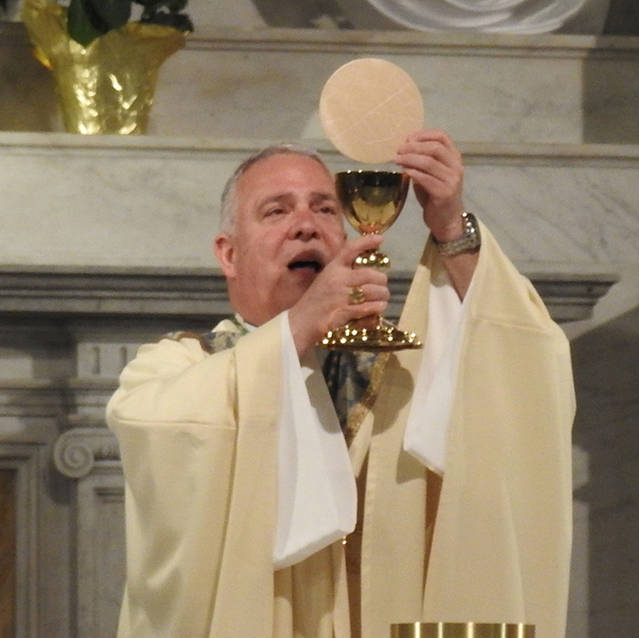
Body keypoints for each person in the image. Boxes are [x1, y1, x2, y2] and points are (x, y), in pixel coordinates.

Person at [106, 129, 575, 637]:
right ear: (229, 254)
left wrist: (450, 229)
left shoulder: (403, 377)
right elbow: (159, 427)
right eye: (277, 211)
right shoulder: (176, 366)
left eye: (326, 210)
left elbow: (525, 371)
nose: (306, 226)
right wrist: (301, 325)